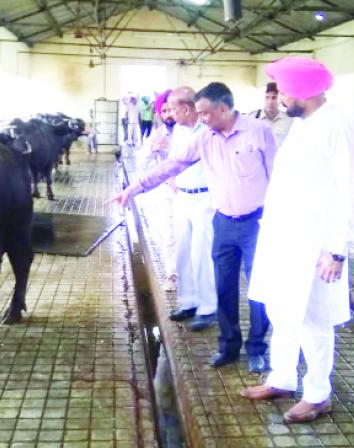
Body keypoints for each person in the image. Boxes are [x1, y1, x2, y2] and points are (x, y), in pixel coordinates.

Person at [111, 82, 277, 373]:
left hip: (258, 223)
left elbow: (278, 178)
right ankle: (228, 346)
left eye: (205, 113)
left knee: (259, 289)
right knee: (224, 287)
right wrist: (134, 189)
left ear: (223, 108)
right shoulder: (205, 138)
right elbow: (172, 165)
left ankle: (257, 349)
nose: (201, 120)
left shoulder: (259, 132)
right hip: (223, 221)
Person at [240, 57, 354, 424]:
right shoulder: (304, 123)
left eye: (283, 90)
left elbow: (353, 193)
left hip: (316, 245)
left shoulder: (338, 126)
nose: (279, 98)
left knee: (313, 318)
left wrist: (338, 250)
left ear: (303, 91)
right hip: (284, 238)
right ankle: (281, 377)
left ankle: (317, 394)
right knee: (281, 310)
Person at [165, 87, 217, 331]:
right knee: (183, 251)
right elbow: (176, 159)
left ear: (186, 108)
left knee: (202, 253)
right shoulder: (178, 129)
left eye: (173, 109)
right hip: (182, 197)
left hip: (204, 199)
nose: (169, 113)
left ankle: (208, 308)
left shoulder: (208, 130)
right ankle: (188, 303)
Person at [136, 90, 179, 290]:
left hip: (195, 194)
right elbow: (141, 163)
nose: (168, 114)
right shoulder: (158, 134)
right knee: (168, 235)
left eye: (171, 109)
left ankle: (193, 279)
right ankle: (171, 274)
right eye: (164, 110)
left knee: (193, 238)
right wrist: (152, 150)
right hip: (168, 192)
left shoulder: (194, 132)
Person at [248, 82, 294, 146]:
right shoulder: (252, 117)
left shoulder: (289, 120)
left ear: (280, 98)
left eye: (274, 97)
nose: (270, 102)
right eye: (267, 97)